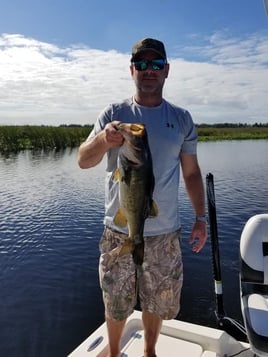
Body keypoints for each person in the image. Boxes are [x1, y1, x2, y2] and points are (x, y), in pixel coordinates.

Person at [78, 38, 208, 357]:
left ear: (166, 71)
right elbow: (83, 160)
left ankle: (149, 350)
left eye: (156, 65)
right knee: (116, 301)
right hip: (118, 230)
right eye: (142, 64)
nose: (149, 71)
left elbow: (191, 174)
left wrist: (200, 218)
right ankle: (112, 352)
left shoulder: (181, 119)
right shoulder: (114, 113)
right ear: (131, 69)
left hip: (165, 232)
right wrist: (103, 140)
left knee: (157, 299)